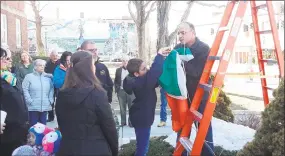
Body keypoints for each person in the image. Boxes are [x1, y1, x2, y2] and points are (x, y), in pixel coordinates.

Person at [55, 51, 118, 156]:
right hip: (96, 149)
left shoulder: (62, 95)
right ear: (88, 69)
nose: (95, 67)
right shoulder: (97, 94)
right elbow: (109, 127)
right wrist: (114, 150)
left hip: (69, 149)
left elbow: (62, 124)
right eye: (93, 64)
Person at [174, 22, 214, 156]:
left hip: (199, 96)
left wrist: (180, 62)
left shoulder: (203, 48)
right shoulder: (178, 47)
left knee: (203, 130)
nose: (180, 36)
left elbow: (198, 72)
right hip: (183, 96)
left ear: (193, 32)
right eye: (178, 33)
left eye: (183, 32)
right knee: (182, 129)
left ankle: (207, 153)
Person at [123, 47, 170, 156]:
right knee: (142, 148)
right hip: (142, 118)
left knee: (141, 145)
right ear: (136, 73)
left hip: (139, 116)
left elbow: (152, 80)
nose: (147, 70)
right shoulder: (140, 82)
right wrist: (159, 55)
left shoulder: (135, 80)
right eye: (144, 69)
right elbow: (155, 72)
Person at [0, 47, 29, 156]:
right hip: (7, 133)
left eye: (7, 58)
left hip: (19, 129)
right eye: (3, 58)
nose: (6, 61)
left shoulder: (8, 76)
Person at [22, 59, 54, 126]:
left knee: (43, 128)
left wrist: (50, 100)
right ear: (35, 66)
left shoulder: (47, 77)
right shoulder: (29, 77)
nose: (42, 67)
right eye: (40, 65)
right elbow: (24, 89)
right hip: (33, 107)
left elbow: (51, 89)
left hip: (45, 106)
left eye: (43, 65)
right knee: (33, 128)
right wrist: (29, 101)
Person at [114, 56, 133, 126]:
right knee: (122, 108)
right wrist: (117, 89)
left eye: (126, 60)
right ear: (122, 62)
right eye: (124, 61)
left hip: (130, 91)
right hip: (121, 91)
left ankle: (131, 122)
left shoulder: (132, 70)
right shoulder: (118, 70)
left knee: (131, 107)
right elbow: (116, 80)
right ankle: (123, 122)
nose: (125, 62)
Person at [45, 50, 59, 122]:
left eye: (56, 55)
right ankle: (51, 117)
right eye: (53, 56)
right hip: (50, 84)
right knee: (50, 101)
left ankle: (59, 115)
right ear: (50, 56)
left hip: (59, 85)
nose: (55, 57)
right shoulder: (47, 64)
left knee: (59, 100)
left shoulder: (60, 63)